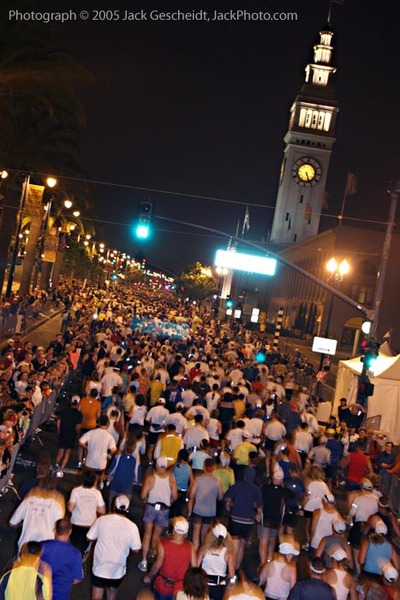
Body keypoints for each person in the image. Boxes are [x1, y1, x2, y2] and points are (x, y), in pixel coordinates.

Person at [87, 494, 141, 600]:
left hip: (100, 565)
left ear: (113, 507)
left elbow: (89, 537)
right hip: (117, 569)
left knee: (96, 597)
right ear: (127, 509)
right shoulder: (132, 527)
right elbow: (136, 549)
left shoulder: (102, 520)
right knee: (111, 595)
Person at [139, 456, 178, 572]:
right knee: (156, 536)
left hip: (151, 507)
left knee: (147, 534)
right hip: (164, 509)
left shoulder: (151, 478)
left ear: (156, 465)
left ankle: (144, 560)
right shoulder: (171, 479)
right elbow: (175, 496)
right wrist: (169, 500)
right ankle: (154, 554)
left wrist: (146, 499)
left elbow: (142, 495)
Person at [10, 474, 65, 552]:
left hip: (25, 544)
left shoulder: (29, 500)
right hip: (46, 547)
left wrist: (22, 523)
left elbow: (12, 523)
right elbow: (60, 527)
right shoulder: (57, 504)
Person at [143, 517, 195, 599]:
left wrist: (149, 575)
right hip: (180, 588)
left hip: (163, 586)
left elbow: (158, 564)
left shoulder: (163, 544)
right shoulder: (190, 547)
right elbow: (195, 567)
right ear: (186, 533)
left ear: (173, 530)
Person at [223, 467, 263, 569]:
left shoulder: (237, 486)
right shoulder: (256, 489)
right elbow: (260, 506)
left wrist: (228, 504)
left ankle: (231, 569)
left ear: (244, 476)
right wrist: (258, 515)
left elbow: (227, 498)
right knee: (241, 546)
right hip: (249, 521)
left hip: (236, 518)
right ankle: (236, 568)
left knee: (234, 546)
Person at [40, 518, 83, 600]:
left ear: (55, 530)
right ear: (70, 531)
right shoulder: (75, 553)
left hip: (41, 593)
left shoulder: (42, 546)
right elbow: (77, 578)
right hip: (61, 595)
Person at [68, 469, 106, 553]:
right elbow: (102, 510)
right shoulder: (97, 493)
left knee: (73, 547)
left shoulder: (76, 491)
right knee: (84, 548)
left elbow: (70, 508)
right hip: (90, 524)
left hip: (76, 523)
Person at [189, 458, 223, 551]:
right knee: (205, 534)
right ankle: (203, 553)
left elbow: (191, 494)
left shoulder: (198, 480)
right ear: (213, 468)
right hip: (210, 511)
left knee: (196, 532)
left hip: (198, 509)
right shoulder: (217, 482)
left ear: (204, 467)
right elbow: (220, 497)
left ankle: (195, 551)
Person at [197, 523, 235, 600]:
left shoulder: (203, 549)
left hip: (204, 585)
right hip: (219, 587)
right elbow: (231, 574)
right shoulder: (228, 553)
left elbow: (196, 567)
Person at [79, 414, 117, 488]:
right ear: (108, 424)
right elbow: (114, 449)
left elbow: (80, 442)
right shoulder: (109, 436)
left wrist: (86, 448)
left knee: (86, 481)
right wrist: (108, 456)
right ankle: (98, 485)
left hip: (90, 462)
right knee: (96, 480)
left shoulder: (91, 432)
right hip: (101, 463)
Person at [54, 395, 83, 477]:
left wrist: (59, 430)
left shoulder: (64, 411)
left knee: (61, 451)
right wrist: (77, 434)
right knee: (67, 452)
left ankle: (56, 465)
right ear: (78, 403)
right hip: (72, 434)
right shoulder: (79, 415)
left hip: (63, 432)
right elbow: (78, 426)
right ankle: (61, 469)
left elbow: (58, 421)